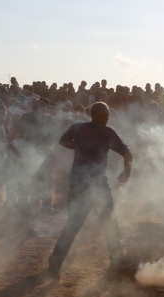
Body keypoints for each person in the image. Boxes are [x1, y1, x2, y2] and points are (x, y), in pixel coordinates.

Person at [48, 102, 133, 279]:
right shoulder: (108, 132)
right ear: (101, 115)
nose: (108, 118)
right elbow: (127, 153)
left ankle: (56, 257)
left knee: (73, 224)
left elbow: (62, 141)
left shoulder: (77, 128)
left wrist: (77, 146)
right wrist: (126, 172)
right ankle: (117, 263)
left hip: (77, 183)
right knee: (109, 223)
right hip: (97, 186)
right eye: (107, 115)